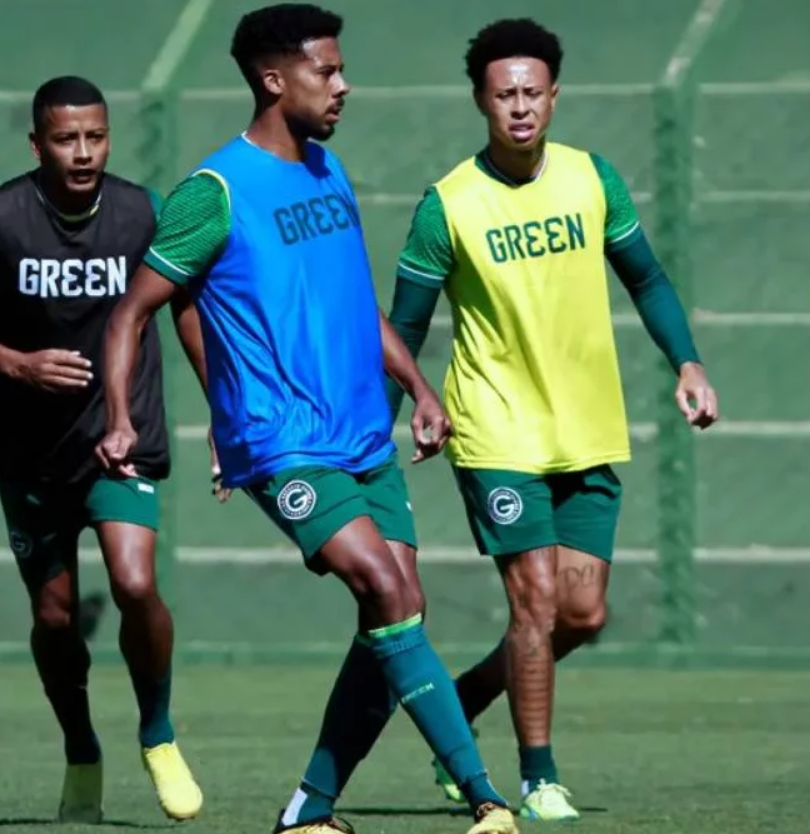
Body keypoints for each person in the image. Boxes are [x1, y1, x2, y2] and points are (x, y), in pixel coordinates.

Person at [95, 6, 520, 834]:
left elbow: (357, 304)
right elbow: (132, 312)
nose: (342, 84)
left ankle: (309, 812)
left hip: (362, 433)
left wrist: (420, 389)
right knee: (386, 586)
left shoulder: (328, 170)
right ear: (272, 79)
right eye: (326, 71)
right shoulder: (213, 192)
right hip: (281, 441)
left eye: (338, 68)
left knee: (396, 610)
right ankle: (485, 798)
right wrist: (122, 419)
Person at [385, 18, 721, 823]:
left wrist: (688, 361)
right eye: (504, 95)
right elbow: (403, 326)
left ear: (555, 95)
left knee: (582, 614)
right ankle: (537, 779)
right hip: (495, 427)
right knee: (533, 603)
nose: (521, 108)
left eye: (533, 92)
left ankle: (458, 705)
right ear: (480, 101)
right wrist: (389, 425)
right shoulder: (447, 206)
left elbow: (646, 278)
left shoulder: (591, 180)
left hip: (584, 425)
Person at [0, 75, 203, 825]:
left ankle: (158, 733)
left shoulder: (143, 211)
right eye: (66, 139)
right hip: (29, 448)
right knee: (53, 617)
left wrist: (228, 414)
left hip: (121, 433)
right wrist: (15, 362)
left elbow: (183, 311)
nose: (83, 153)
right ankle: (80, 746)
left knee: (135, 583)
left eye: (96, 137)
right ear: (37, 142)